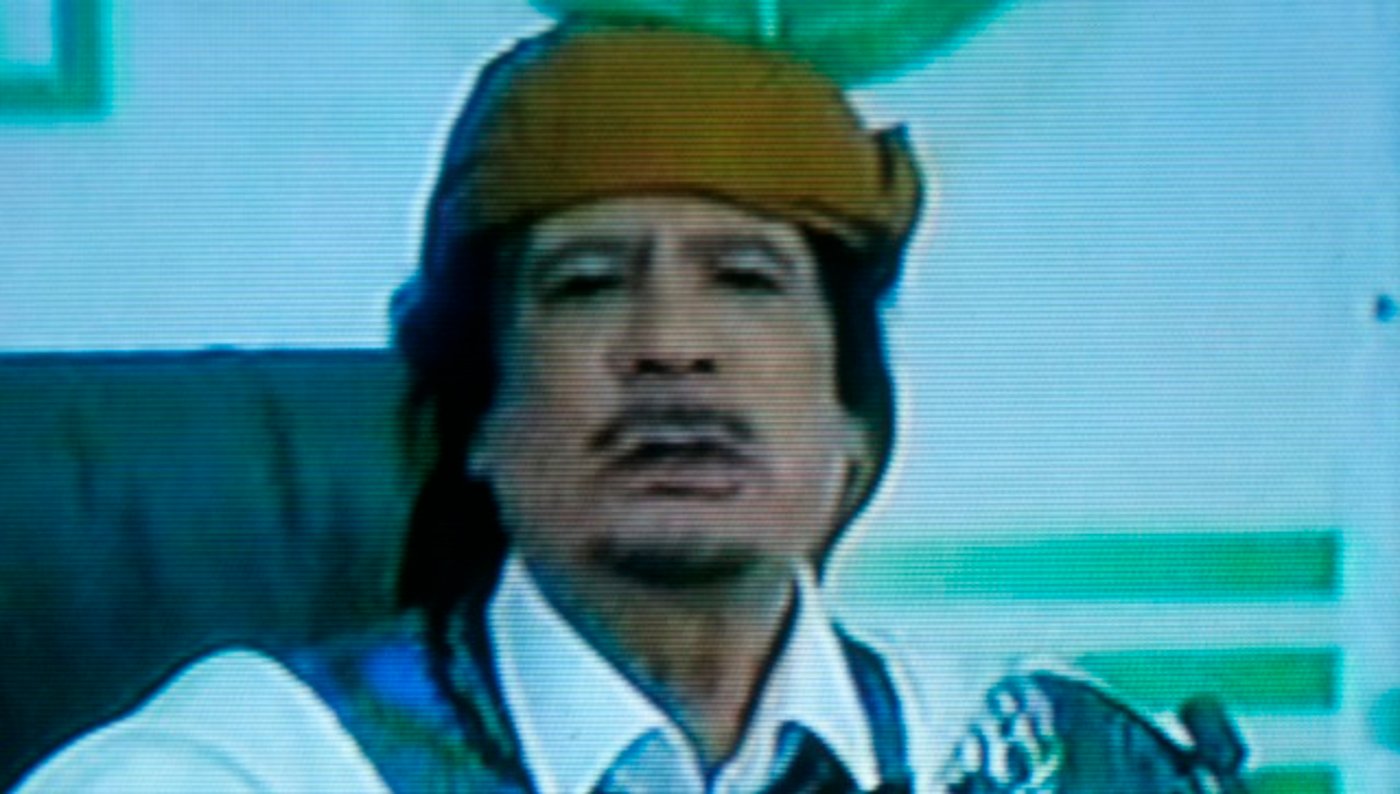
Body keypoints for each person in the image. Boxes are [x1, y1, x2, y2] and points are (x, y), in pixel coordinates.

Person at [17, 22, 1247, 794]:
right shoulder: (257, 767)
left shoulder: (1035, 761)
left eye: (746, 281)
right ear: (475, 423)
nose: (670, 346)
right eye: (588, 284)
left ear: (853, 432)